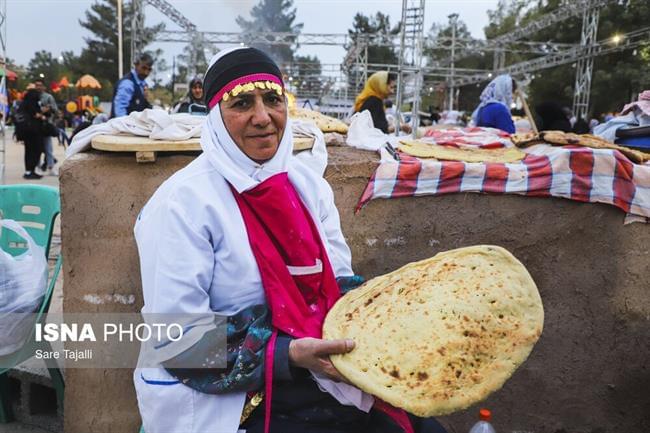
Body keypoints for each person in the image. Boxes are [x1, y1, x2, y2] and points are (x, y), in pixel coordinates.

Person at [133, 47, 446, 433]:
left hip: (314, 368)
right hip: (229, 393)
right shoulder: (183, 204)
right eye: (242, 103)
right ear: (215, 117)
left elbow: (340, 288)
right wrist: (287, 352)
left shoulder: (308, 187)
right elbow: (176, 339)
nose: (262, 118)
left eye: (273, 100)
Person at [110, 53, 153, 118]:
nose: (146, 72)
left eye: (149, 69)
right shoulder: (127, 83)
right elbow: (120, 110)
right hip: (124, 126)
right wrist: (125, 126)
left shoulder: (143, 85)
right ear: (136, 65)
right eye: (143, 68)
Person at [16, 88, 46, 179]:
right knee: (36, 150)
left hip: (25, 132)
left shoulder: (23, 103)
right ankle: (31, 170)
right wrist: (43, 115)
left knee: (28, 151)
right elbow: (36, 115)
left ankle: (28, 171)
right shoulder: (33, 103)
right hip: (34, 131)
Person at [34, 79, 59, 175]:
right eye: (36, 85)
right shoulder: (32, 97)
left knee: (48, 148)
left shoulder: (48, 97)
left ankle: (50, 167)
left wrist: (47, 110)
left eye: (40, 85)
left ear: (44, 87)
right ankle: (37, 167)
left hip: (46, 126)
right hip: (35, 126)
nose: (38, 87)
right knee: (36, 148)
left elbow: (55, 110)